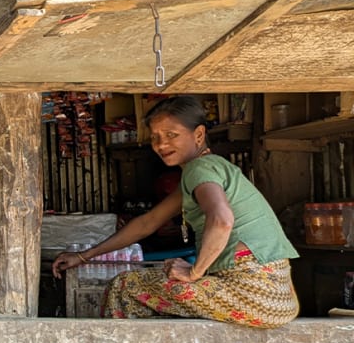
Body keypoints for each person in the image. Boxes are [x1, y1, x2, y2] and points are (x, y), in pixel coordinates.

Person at [52, 95, 299, 328]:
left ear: (199, 134)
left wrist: (195, 272)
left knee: (125, 286)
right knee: (158, 284)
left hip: (252, 294)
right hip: (276, 298)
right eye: (155, 137)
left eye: (172, 135)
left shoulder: (199, 170)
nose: (161, 144)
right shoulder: (206, 170)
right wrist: (85, 256)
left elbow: (222, 220)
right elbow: (147, 223)